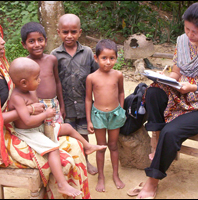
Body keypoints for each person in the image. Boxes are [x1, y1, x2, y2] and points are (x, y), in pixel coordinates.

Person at [0, 18, 91, 199]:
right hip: (4, 139)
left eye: (1, 36)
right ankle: (60, 190)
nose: (3, 41)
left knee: (75, 144)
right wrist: (29, 111)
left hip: (22, 127)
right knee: (65, 158)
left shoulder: (0, 66)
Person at [130, 2, 198, 199]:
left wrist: (195, 87)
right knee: (152, 92)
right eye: (186, 28)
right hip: (183, 95)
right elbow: (177, 71)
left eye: (194, 31)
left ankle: (152, 181)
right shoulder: (182, 42)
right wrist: (166, 76)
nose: (189, 35)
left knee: (172, 132)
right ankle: (158, 143)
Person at [8, 57, 107, 197]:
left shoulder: (31, 91)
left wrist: (45, 115)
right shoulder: (17, 97)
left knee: (67, 127)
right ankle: (62, 184)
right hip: (28, 132)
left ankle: (87, 146)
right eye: (36, 78)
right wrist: (45, 114)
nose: (40, 81)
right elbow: (28, 121)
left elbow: (37, 111)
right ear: (23, 83)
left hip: (39, 127)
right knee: (53, 149)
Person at [51, 13, 100, 175]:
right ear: (59, 32)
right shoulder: (54, 55)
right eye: (65, 32)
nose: (69, 36)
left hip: (84, 102)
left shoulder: (87, 52)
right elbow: (54, 80)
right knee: (69, 137)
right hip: (66, 105)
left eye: (73, 32)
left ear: (80, 32)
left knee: (84, 135)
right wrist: (60, 105)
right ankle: (73, 164)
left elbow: (96, 75)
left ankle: (85, 162)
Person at [86, 39, 126, 192]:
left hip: (115, 114)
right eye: (104, 58)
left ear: (116, 58)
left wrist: (121, 110)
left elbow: (121, 92)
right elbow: (88, 99)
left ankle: (115, 175)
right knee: (101, 147)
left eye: (112, 58)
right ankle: (101, 176)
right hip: (98, 116)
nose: (108, 62)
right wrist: (89, 119)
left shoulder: (118, 75)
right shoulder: (91, 78)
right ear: (96, 58)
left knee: (114, 146)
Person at [20, 22, 64, 124]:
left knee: (57, 133)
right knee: (42, 133)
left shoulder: (52, 60)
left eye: (40, 40)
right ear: (24, 44)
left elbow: (57, 82)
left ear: (46, 41)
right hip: (37, 106)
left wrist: (62, 106)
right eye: (31, 41)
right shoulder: (24, 65)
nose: (37, 45)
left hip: (54, 104)